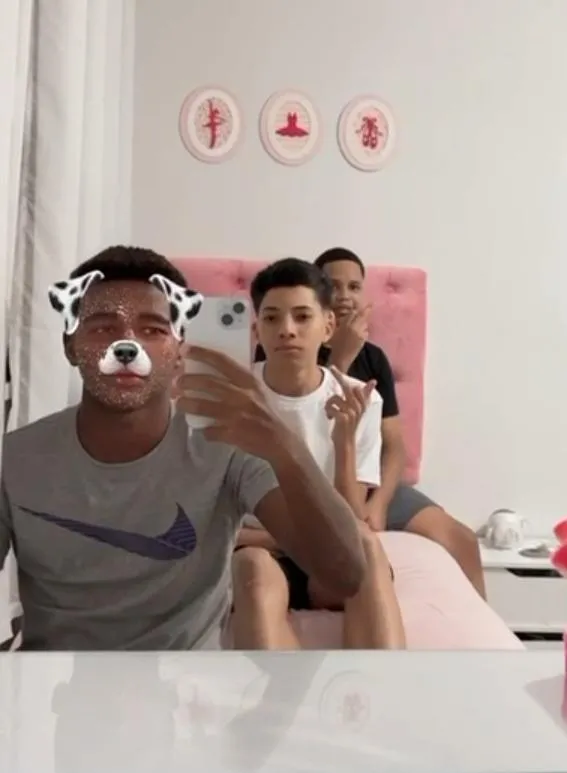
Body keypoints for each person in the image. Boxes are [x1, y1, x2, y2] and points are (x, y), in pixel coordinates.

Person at [0, 245, 366, 650]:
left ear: (179, 350)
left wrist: (285, 446)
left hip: (187, 685)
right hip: (54, 684)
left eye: (153, 330)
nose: (127, 345)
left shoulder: (228, 448)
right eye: (103, 327)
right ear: (70, 345)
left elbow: (345, 576)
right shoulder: (14, 459)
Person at [233, 258, 405, 650]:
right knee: (251, 567)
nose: (287, 330)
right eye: (272, 318)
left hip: (330, 552)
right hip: (262, 549)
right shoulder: (233, 397)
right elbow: (215, 523)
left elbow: (351, 522)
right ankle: (284, 691)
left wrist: (344, 441)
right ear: (257, 329)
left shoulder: (359, 398)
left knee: (366, 547)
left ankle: (386, 681)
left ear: (328, 326)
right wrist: (284, 540)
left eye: (302, 316)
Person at [316, 247, 486, 597]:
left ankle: (487, 632)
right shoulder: (296, 349)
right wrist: (340, 359)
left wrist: (378, 503)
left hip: (375, 484)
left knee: (463, 540)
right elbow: (311, 430)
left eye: (354, 286)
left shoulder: (374, 357)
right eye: (334, 286)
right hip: (324, 484)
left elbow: (394, 445)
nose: (345, 296)